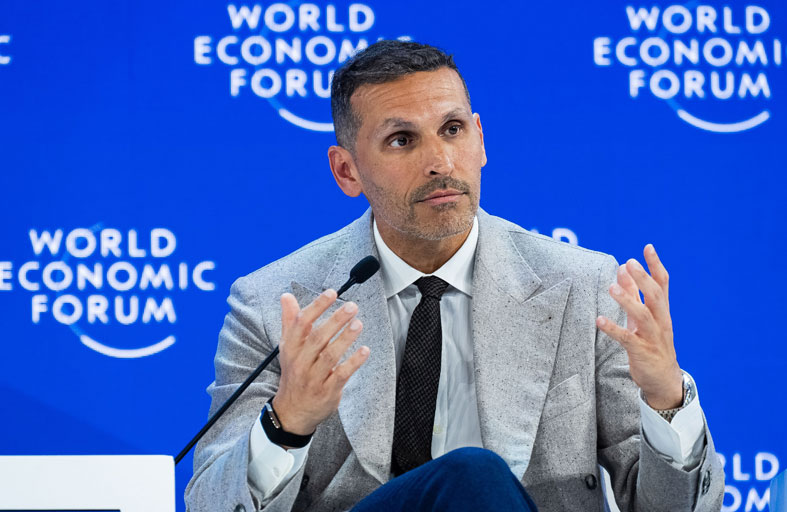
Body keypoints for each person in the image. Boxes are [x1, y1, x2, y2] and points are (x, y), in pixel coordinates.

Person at [185, 40, 724, 512]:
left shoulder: (583, 287)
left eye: (452, 129)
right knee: (472, 472)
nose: (440, 161)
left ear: (481, 140)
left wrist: (666, 399)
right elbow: (211, 502)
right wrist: (287, 422)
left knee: (475, 475)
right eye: (402, 140)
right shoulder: (274, 305)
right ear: (347, 171)